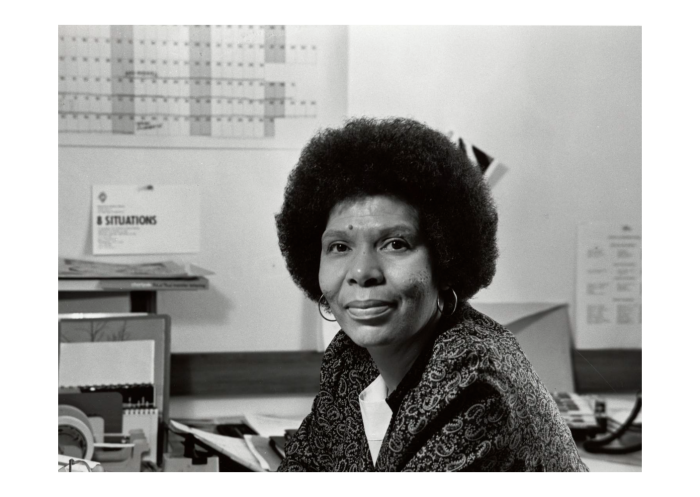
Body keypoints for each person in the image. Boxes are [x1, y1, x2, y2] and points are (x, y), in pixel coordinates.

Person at [274, 117, 588, 473]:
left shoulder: (473, 382)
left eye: (395, 243)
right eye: (339, 246)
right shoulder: (350, 361)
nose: (361, 272)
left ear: (444, 258)